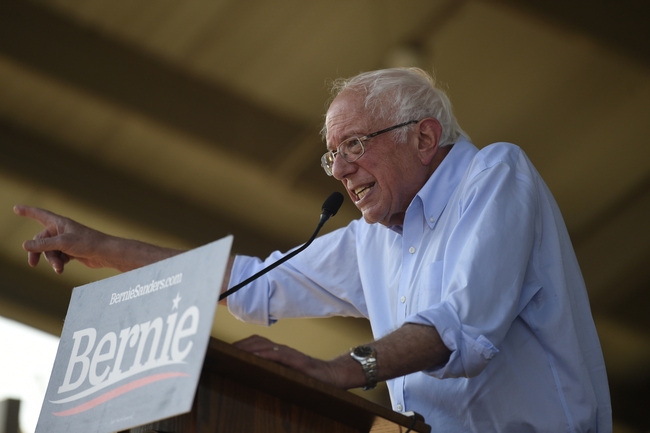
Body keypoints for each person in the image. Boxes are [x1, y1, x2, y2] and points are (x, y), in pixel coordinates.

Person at [15, 68, 611, 432]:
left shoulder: (496, 174)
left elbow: (460, 328)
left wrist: (339, 370)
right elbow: (250, 284)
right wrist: (99, 247)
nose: (341, 171)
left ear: (425, 137)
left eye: (355, 144)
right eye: (333, 155)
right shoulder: (372, 241)